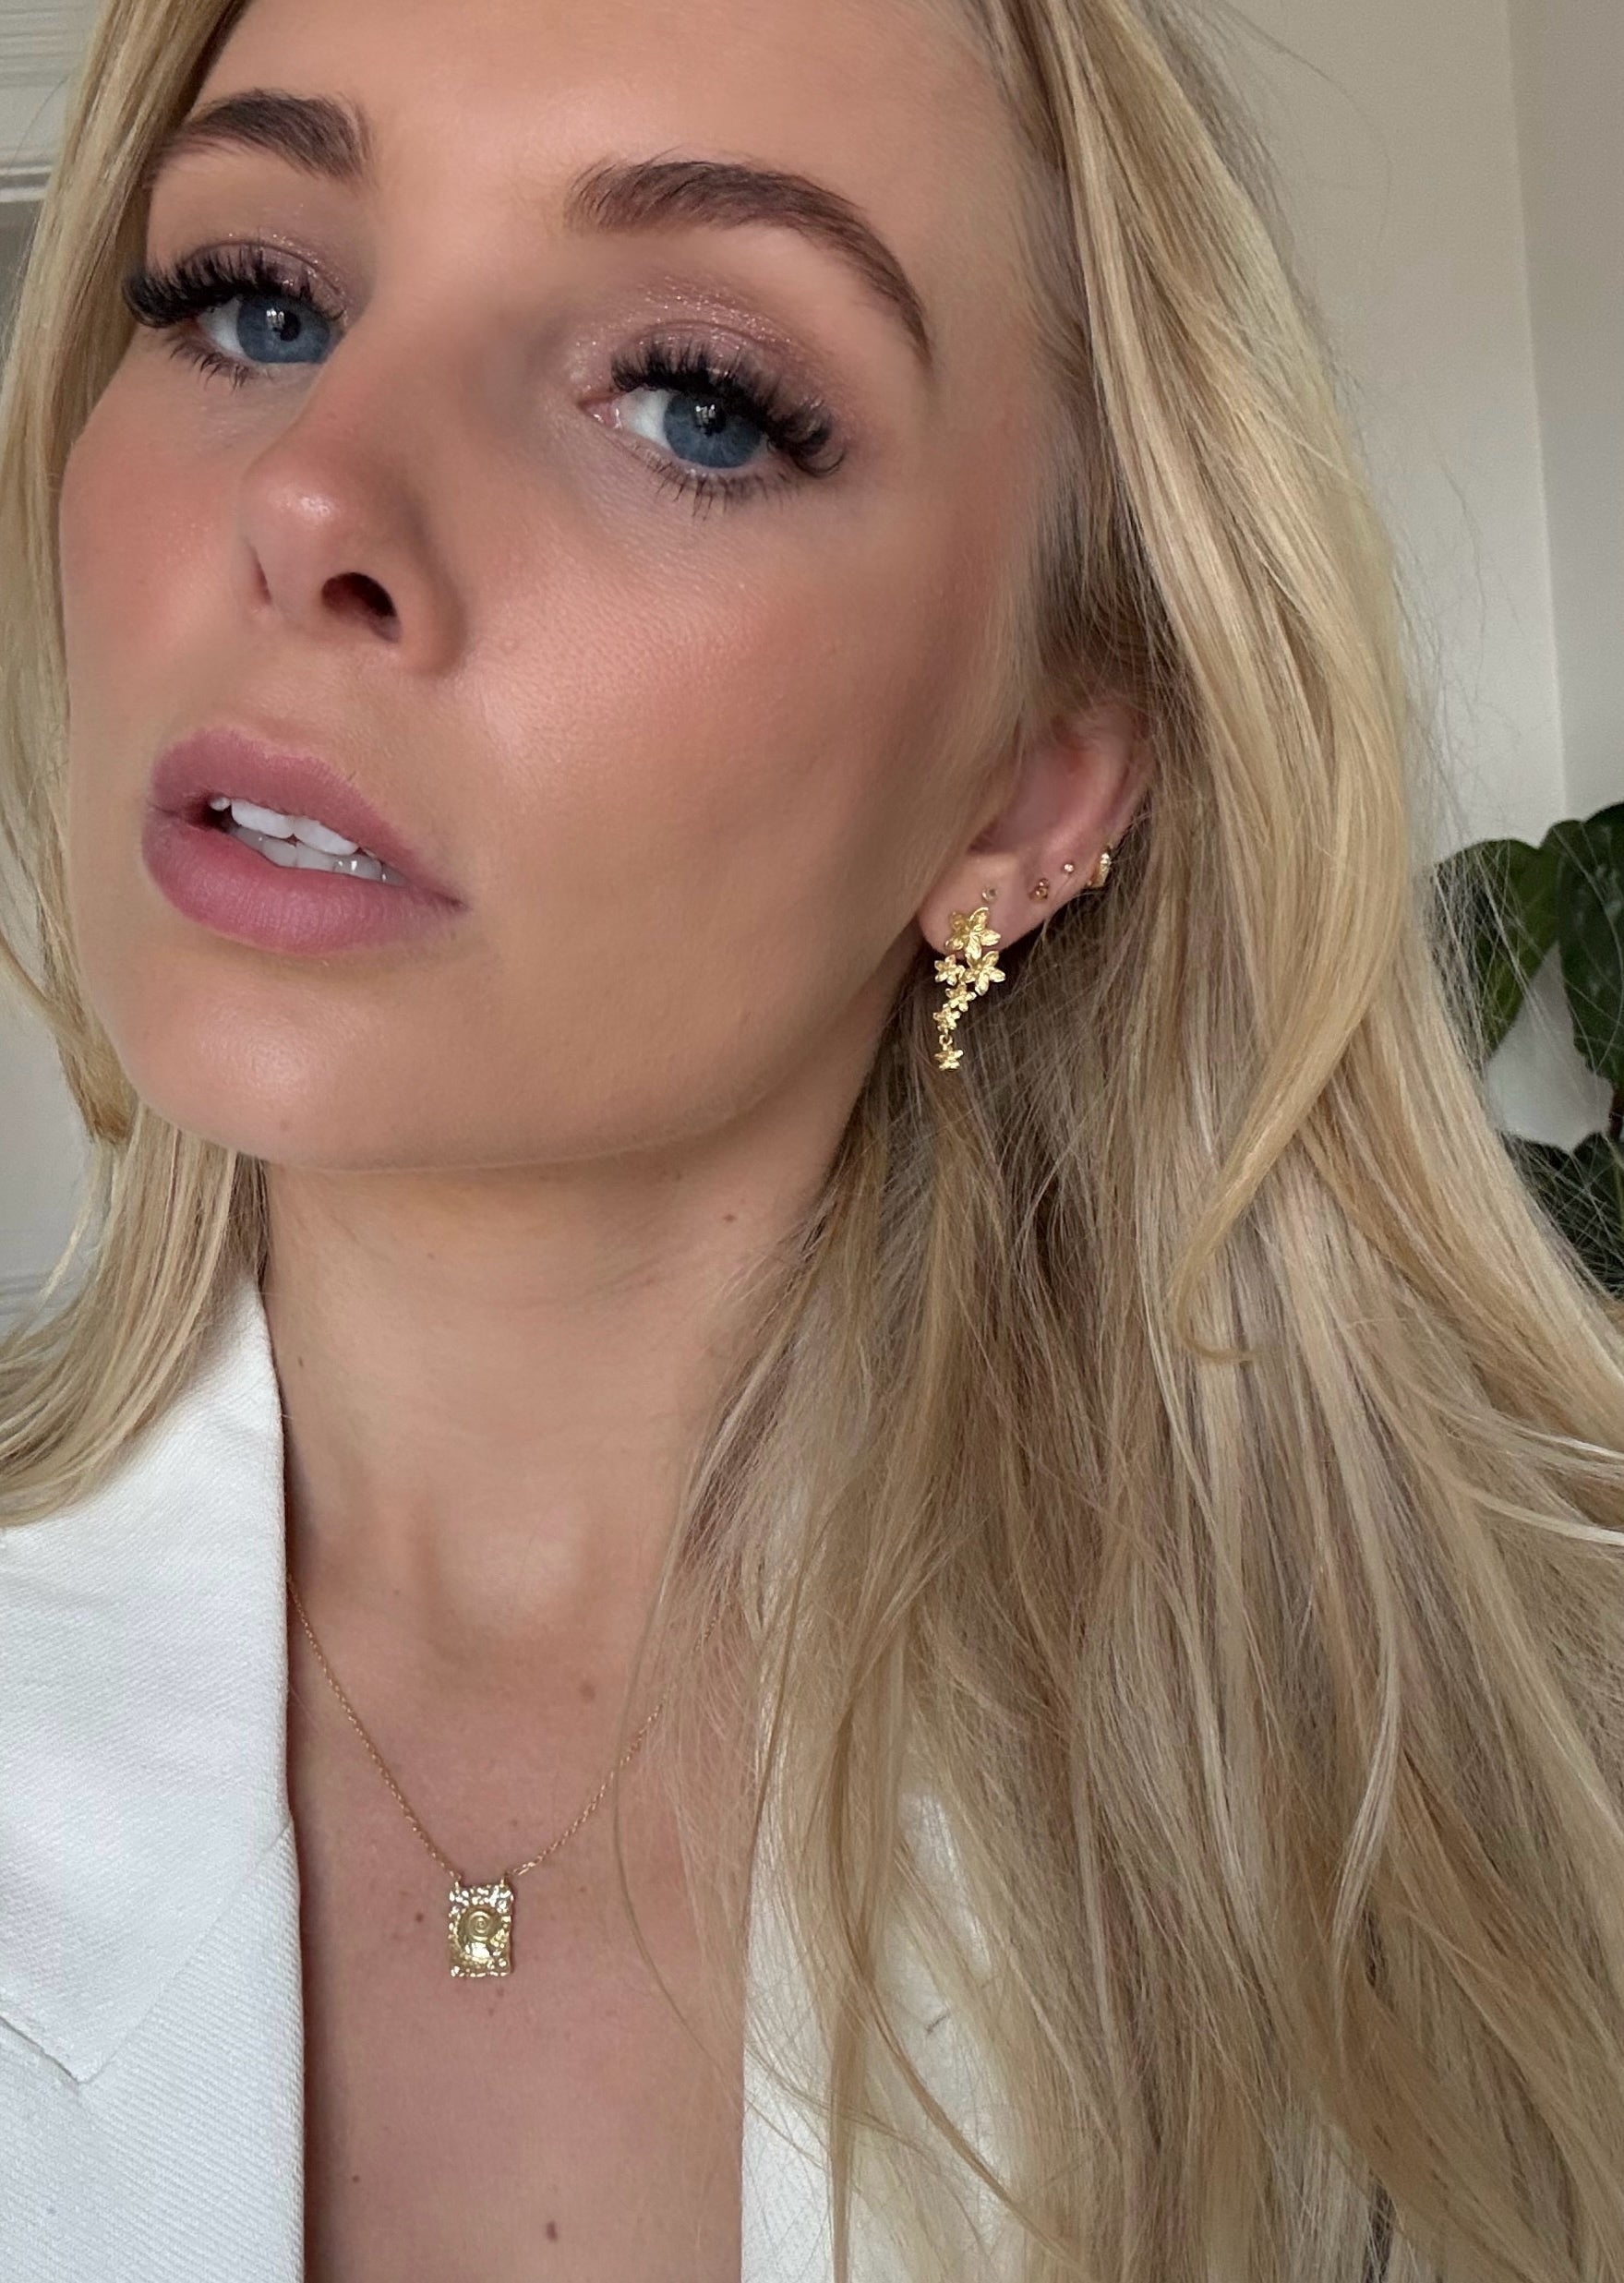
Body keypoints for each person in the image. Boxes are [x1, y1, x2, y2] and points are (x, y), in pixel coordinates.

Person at [3, 0, 1623, 2276]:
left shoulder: (1513, 1835)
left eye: (697, 401)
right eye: (256, 302)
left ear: (1031, 790)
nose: (315, 494)